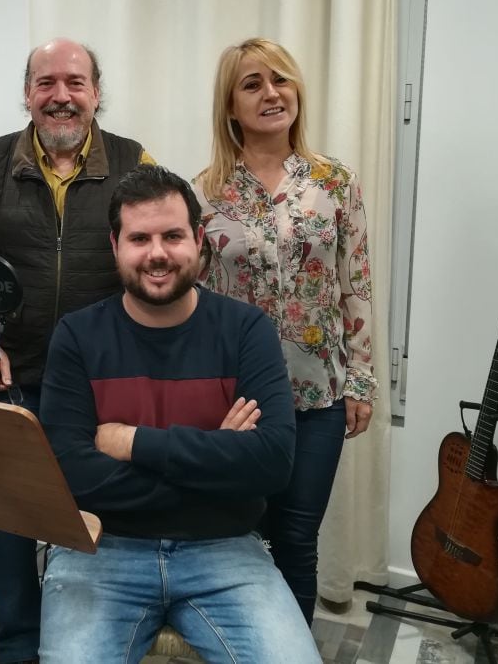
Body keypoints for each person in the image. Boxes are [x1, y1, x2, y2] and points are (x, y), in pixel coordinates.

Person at [37, 164, 320, 663]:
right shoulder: (77, 336)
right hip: (103, 549)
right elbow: (68, 475)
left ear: (199, 239)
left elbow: (273, 462)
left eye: (172, 235)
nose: (157, 254)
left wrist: (132, 442)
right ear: (115, 246)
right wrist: (218, 460)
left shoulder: (246, 330)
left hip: (225, 549)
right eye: (139, 238)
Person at [0, 37, 153, 664]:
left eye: (74, 83)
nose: (60, 96)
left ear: (96, 93)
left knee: (98, 523)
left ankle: (91, 643)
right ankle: (19, 648)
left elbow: (151, 265)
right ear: (28, 93)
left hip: (104, 385)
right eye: (46, 83)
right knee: (8, 524)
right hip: (15, 376)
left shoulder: (134, 162)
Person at [192, 37, 377, 625]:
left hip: (318, 393)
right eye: (252, 84)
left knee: (298, 535)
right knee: (245, 529)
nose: (271, 93)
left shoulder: (334, 182)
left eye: (281, 80)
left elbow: (357, 285)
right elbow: (191, 294)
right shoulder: (204, 192)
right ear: (230, 106)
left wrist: (362, 381)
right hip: (236, 395)